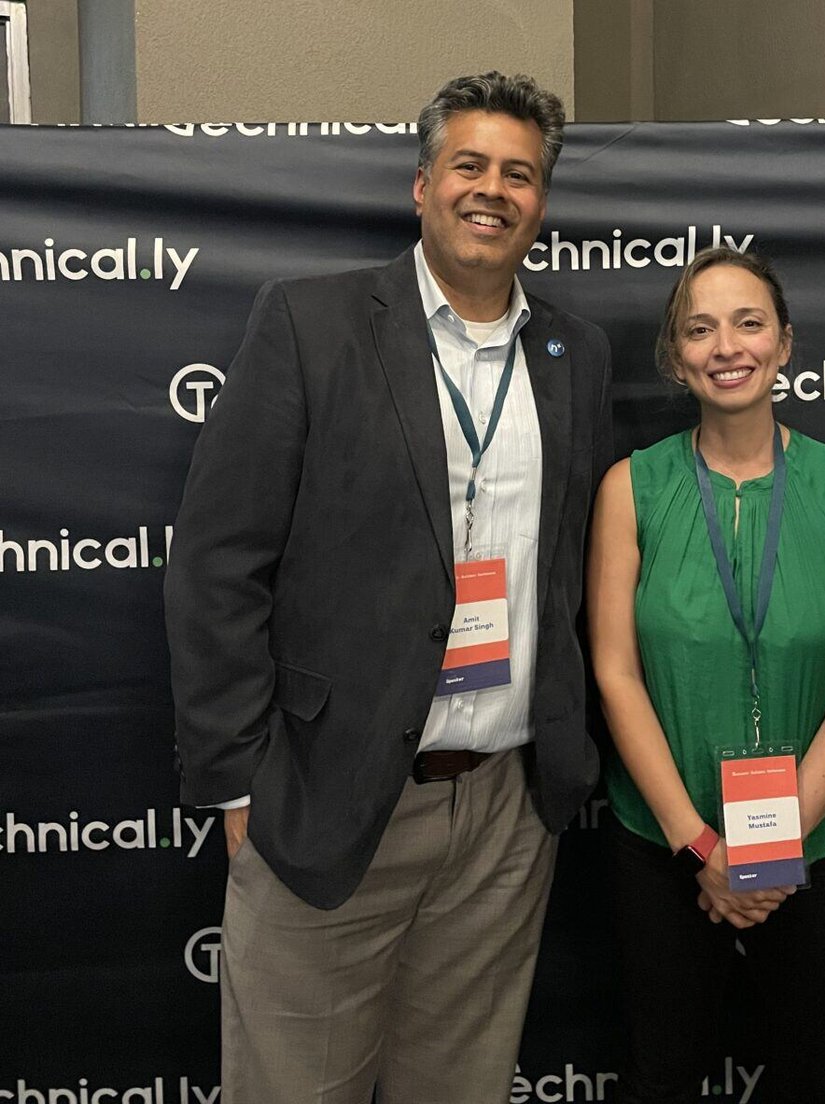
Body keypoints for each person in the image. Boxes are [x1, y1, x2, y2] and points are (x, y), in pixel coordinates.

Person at [164, 71, 613, 1104]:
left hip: (504, 809)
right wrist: (240, 783)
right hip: (329, 794)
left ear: (540, 201)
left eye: (518, 173)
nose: (490, 189)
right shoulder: (310, 324)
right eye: (468, 165)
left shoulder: (570, 354)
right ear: (421, 184)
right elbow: (218, 564)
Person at [586, 246, 825, 1103]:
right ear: (675, 357)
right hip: (668, 846)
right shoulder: (631, 489)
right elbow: (615, 674)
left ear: (785, 343)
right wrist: (705, 846)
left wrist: (761, 855)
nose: (727, 345)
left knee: (820, 1078)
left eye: (749, 322)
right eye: (700, 328)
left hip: (820, 843)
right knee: (662, 1075)